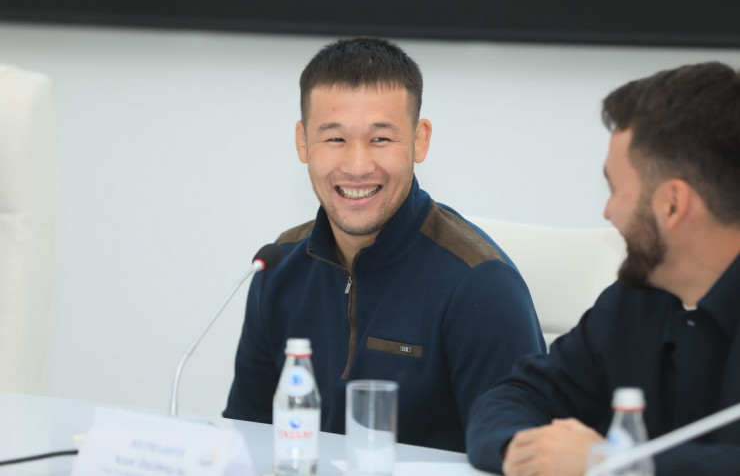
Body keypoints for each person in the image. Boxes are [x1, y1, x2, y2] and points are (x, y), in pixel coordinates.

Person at [223, 37, 545, 452]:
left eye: (380, 139)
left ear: (419, 140)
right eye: (334, 139)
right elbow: (246, 439)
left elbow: (522, 458)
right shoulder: (277, 267)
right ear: (303, 142)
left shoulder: (481, 285)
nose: (357, 166)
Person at [466, 61, 740, 475]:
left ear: (672, 204)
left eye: (614, 189)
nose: (607, 212)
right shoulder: (634, 302)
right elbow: (516, 396)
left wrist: (615, 464)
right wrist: (526, 450)